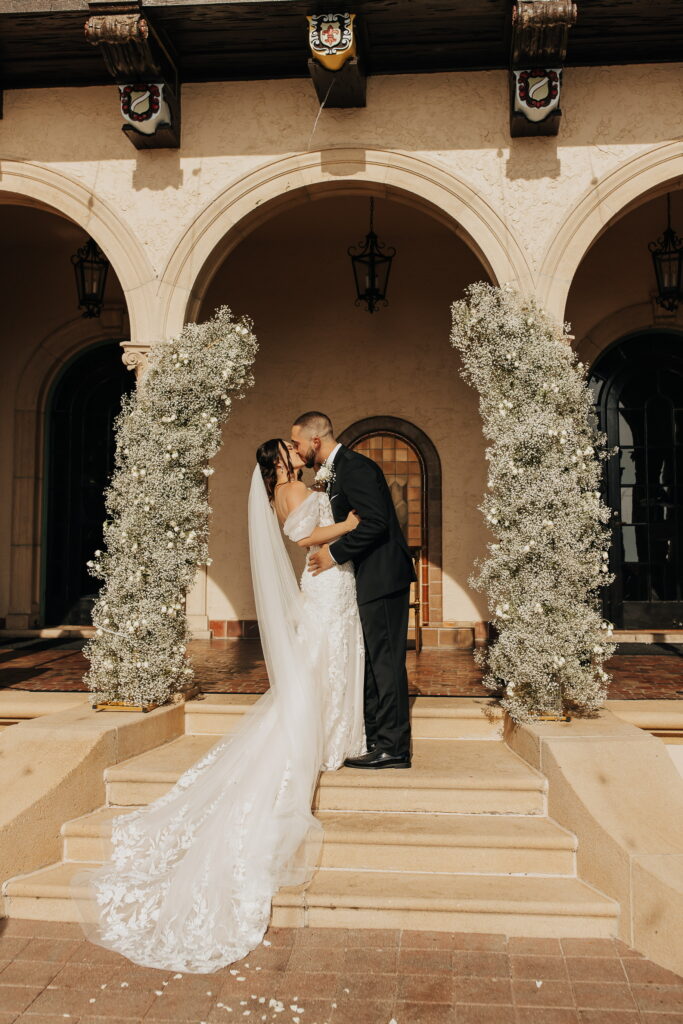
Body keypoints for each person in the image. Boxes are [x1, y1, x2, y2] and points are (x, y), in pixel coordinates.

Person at [68, 438, 366, 974]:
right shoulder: (293, 488)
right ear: (280, 462)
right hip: (324, 582)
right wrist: (345, 527)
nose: (298, 451)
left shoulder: (293, 487)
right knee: (325, 659)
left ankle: (329, 730)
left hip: (328, 582)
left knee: (329, 660)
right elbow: (303, 535)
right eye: (289, 449)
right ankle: (323, 734)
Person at [290, 411, 416, 769]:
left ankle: (394, 748)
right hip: (365, 578)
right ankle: (378, 737)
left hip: (383, 576)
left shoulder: (355, 467)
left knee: (386, 662)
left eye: (298, 442)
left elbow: (376, 522)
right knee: (375, 663)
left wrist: (334, 553)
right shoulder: (335, 470)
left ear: (316, 440)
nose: (298, 451)